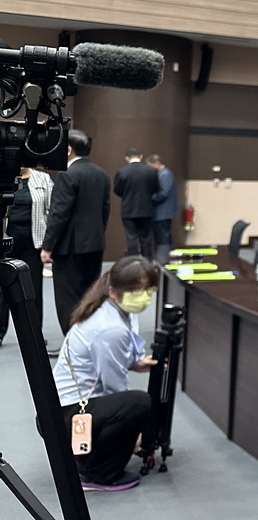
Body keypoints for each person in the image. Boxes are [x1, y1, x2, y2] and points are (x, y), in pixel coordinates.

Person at [51, 256, 158, 492]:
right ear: (114, 292)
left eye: (148, 289)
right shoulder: (109, 328)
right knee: (137, 403)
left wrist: (135, 363)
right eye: (136, 290)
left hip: (65, 408)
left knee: (133, 404)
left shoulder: (115, 310)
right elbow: (114, 387)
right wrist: (134, 432)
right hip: (67, 413)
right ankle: (96, 473)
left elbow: (106, 360)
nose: (143, 296)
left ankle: (89, 458)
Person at [42, 129, 111, 337]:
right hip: (95, 244)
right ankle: (90, 339)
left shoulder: (67, 175)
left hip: (69, 248)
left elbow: (59, 214)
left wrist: (48, 246)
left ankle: (74, 342)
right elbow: (105, 210)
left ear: (68, 150)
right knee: (91, 297)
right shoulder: (102, 174)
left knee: (67, 300)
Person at [0, 166, 54, 350]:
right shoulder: (3, 175)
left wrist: (48, 243)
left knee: (33, 289)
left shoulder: (42, 178)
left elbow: (51, 209)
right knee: (1, 291)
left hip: (33, 243)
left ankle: (34, 334)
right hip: (5, 241)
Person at [113, 148, 158, 258]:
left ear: (126, 158)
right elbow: (155, 188)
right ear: (141, 156)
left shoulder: (122, 171)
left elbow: (117, 190)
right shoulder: (151, 171)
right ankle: (147, 262)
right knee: (146, 238)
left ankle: (133, 261)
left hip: (128, 209)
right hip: (146, 208)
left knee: (131, 237)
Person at [145, 154, 177, 265]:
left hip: (162, 212)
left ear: (156, 164)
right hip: (162, 211)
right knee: (162, 235)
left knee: (162, 237)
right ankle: (162, 259)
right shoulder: (164, 174)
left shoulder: (165, 174)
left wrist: (149, 198)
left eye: (150, 166)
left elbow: (163, 193)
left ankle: (162, 260)